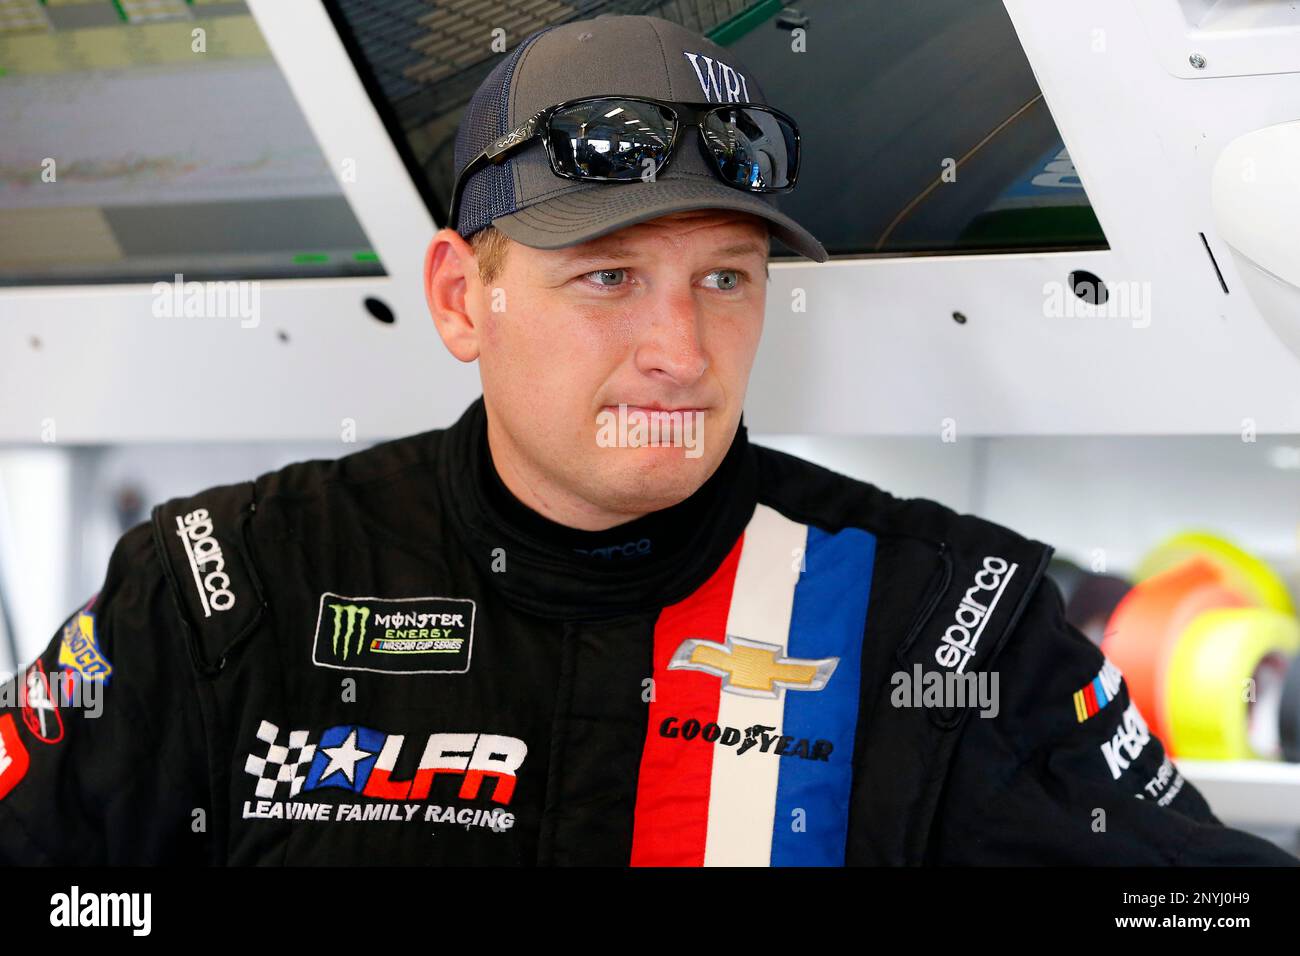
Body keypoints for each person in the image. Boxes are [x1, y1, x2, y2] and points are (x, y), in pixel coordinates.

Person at [0, 14, 1292, 866]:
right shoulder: (219, 581)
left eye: (726, 280)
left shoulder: (952, 611)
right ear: (463, 298)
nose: (681, 348)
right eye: (608, 279)